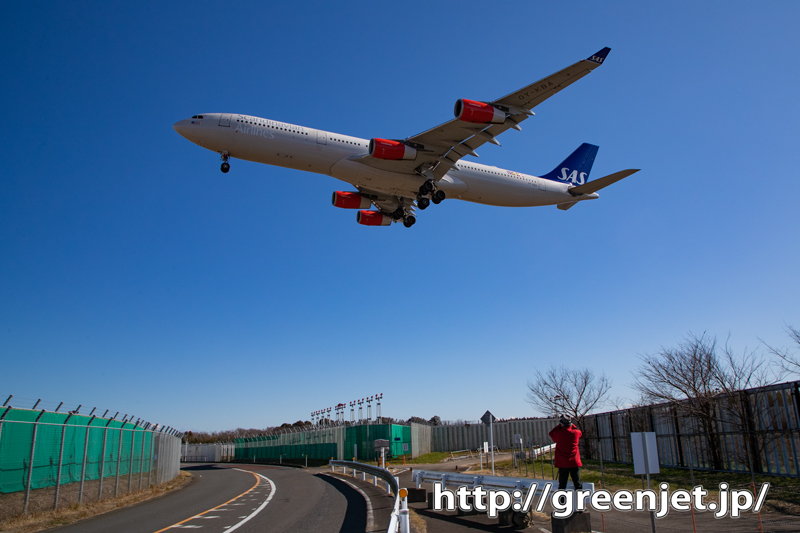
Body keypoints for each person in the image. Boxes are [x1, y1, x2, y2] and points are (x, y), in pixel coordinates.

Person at [548, 414, 582, 491]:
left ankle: (562, 501)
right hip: (574, 462)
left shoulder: (559, 433)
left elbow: (551, 433)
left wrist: (560, 425)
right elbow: (579, 431)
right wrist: (571, 424)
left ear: (562, 424)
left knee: (562, 485)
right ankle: (580, 499)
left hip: (563, 463)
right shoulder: (575, 433)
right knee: (577, 483)